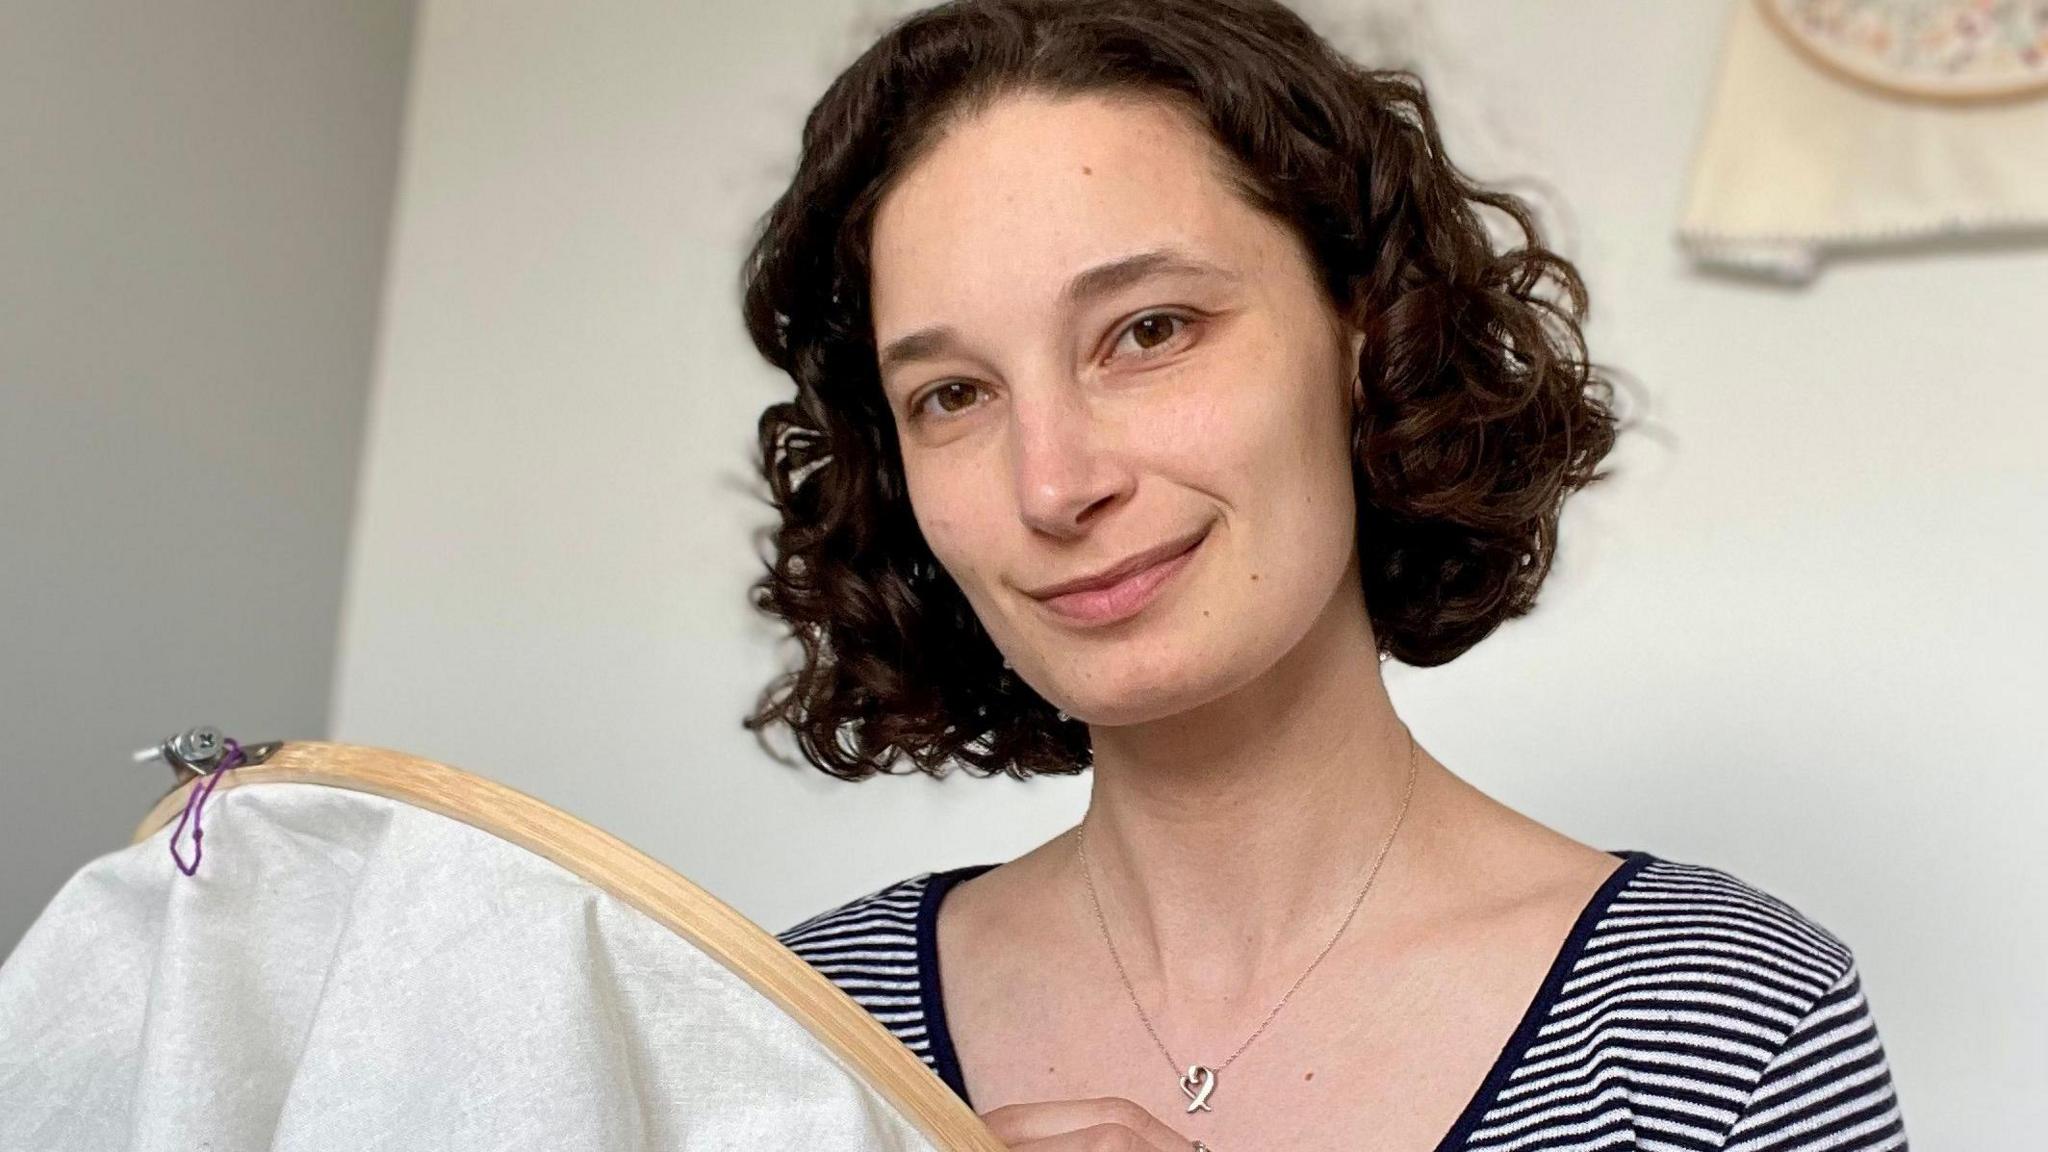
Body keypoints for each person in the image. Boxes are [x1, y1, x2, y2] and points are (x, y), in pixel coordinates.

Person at [739, 1, 1908, 1148]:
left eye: (1148, 331)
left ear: (1363, 331)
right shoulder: (783, 1033)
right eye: (951, 394)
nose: (1052, 486)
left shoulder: (1724, 1031)